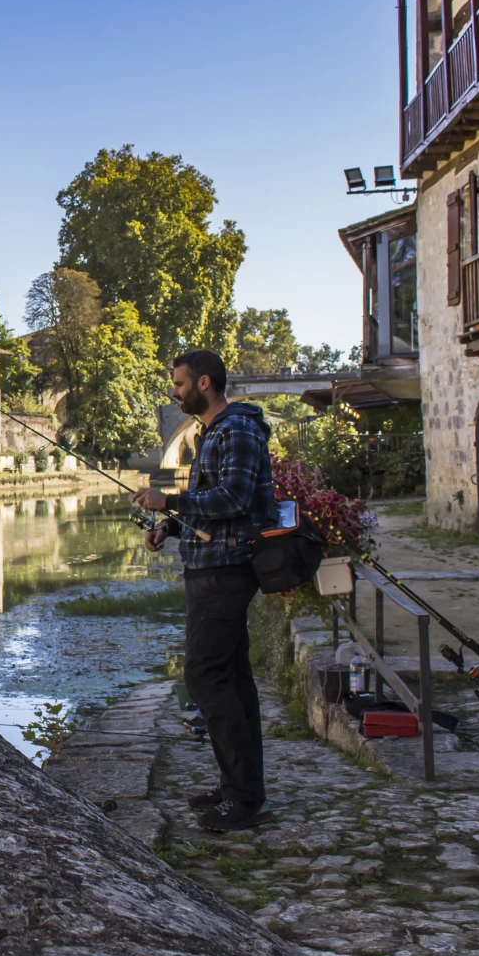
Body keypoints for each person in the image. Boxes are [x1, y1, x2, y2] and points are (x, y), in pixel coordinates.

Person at [132, 348, 276, 832]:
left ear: (204, 383)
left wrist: (168, 500)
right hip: (209, 567)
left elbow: (234, 498)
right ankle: (240, 787)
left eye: (180, 383)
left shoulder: (236, 429)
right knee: (231, 679)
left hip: (226, 570)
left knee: (204, 676)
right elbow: (210, 507)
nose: (175, 392)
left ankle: (244, 798)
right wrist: (170, 527)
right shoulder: (211, 431)